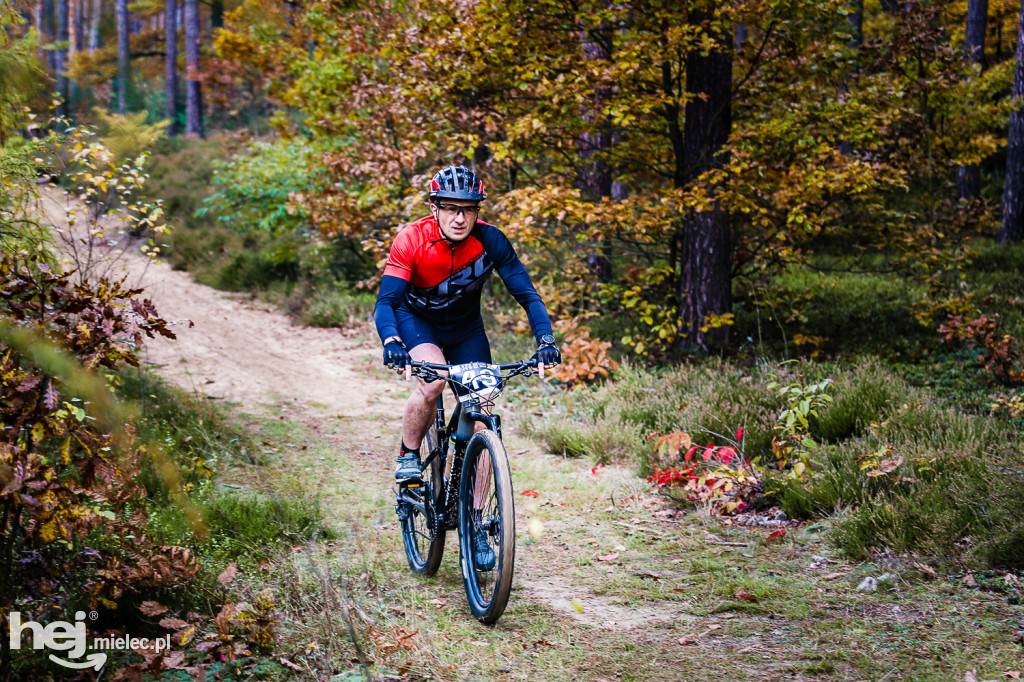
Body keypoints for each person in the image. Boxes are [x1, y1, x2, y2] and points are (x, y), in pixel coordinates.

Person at [374, 165, 560, 567]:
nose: (460, 218)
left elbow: (527, 295)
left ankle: (475, 521)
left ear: (478, 212)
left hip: (465, 330)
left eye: (469, 209)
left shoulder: (491, 241)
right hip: (416, 322)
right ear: (435, 207)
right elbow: (386, 302)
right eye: (450, 208)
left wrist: (545, 339)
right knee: (432, 384)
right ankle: (409, 455)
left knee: (483, 414)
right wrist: (391, 341)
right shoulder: (412, 239)